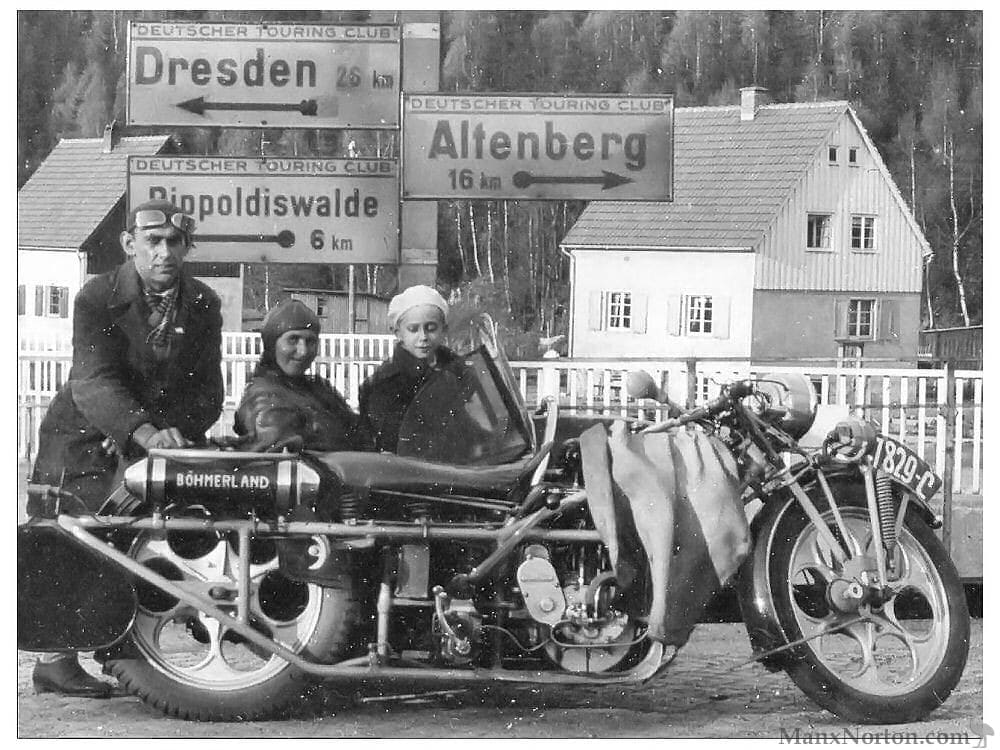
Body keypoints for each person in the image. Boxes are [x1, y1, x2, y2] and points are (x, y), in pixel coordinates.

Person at [28, 199, 224, 697]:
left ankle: (125, 652)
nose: (164, 253)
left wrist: (175, 431)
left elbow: (208, 391)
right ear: (129, 244)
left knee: (140, 542)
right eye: (153, 242)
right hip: (86, 436)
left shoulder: (203, 303)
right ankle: (55, 662)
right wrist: (144, 431)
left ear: (186, 246)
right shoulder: (96, 297)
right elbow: (94, 380)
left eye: (174, 243)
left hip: (156, 439)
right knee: (74, 537)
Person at [234, 299, 365, 452]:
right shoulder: (262, 397)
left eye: (310, 341)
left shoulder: (318, 389)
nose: (303, 351)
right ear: (271, 344)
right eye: (293, 340)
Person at [358, 285, 457, 453]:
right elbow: (391, 440)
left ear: (444, 330)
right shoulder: (386, 383)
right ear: (398, 333)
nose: (423, 337)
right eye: (413, 329)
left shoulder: (457, 368)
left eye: (431, 328)